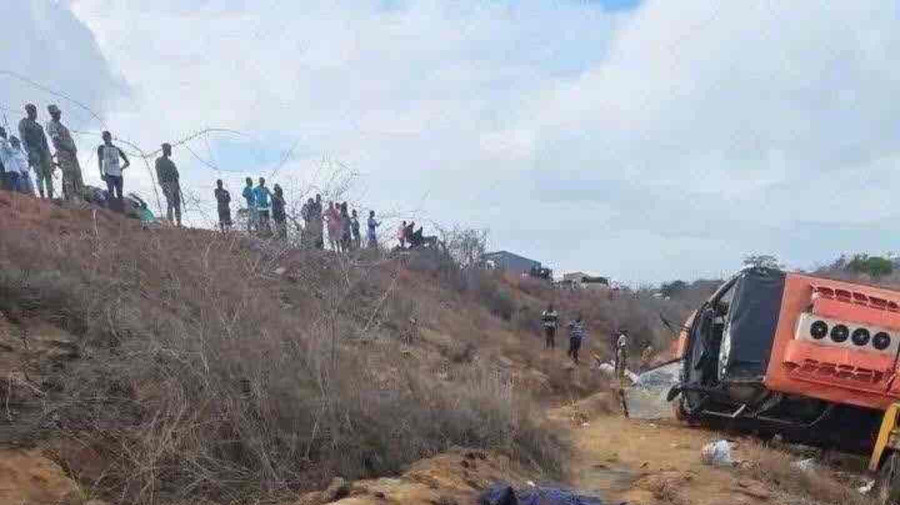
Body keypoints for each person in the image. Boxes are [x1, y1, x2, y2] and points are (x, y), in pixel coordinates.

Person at [46, 104, 84, 200]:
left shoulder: (63, 127)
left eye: (59, 113)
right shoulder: (51, 125)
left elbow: (70, 140)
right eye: (56, 113)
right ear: (52, 114)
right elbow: (56, 141)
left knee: (78, 176)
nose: (59, 115)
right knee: (69, 177)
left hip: (72, 154)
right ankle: (71, 199)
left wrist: (74, 149)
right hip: (63, 154)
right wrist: (69, 148)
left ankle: (81, 198)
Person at [18, 104, 54, 199]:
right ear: (29, 112)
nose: (35, 114)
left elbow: (45, 142)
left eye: (35, 111)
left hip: (43, 152)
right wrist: (28, 152)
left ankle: (50, 196)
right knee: (39, 174)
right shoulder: (24, 122)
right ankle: (42, 195)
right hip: (33, 151)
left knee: (48, 174)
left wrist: (49, 155)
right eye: (33, 111)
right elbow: (23, 138)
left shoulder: (39, 126)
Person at [97, 131, 130, 210]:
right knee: (111, 193)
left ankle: (121, 212)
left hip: (118, 175)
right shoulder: (101, 148)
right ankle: (112, 212)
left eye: (107, 136)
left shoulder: (116, 149)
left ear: (110, 137)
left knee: (119, 194)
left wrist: (121, 169)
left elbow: (127, 162)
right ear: (103, 138)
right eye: (104, 137)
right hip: (108, 174)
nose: (105, 138)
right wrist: (101, 173)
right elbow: (100, 160)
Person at [155, 143, 182, 226]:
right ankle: (170, 222)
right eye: (169, 149)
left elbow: (177, 174)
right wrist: (162, 184)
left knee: (177, 203)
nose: (170, 151)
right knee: (170, 202)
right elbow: (159, 174)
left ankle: (178, 222)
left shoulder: (171, 163)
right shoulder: (159, 161)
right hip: (167, 183)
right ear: (165, 150)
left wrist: (177, 185)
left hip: (174, 184)